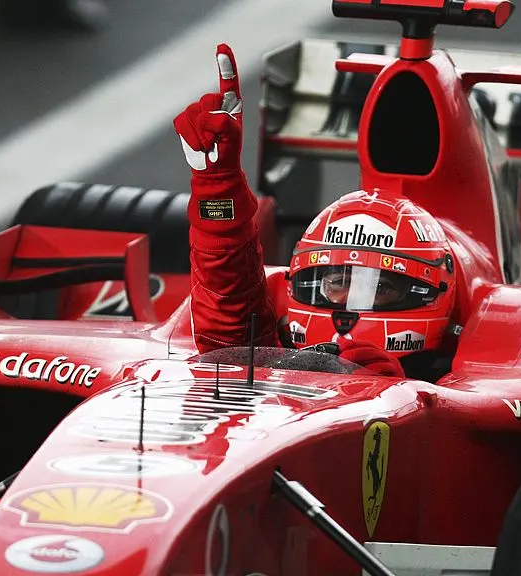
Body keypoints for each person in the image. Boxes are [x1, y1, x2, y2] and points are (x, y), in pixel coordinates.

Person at [173, 44, 458, 379]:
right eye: (336, 280)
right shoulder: (278, 326)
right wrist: (217, 187)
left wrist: (397, 393)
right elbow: (229, 341)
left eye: (379, 288)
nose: (350, 303)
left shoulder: (474, 367)